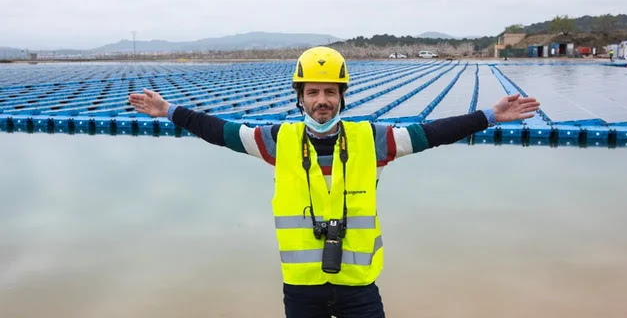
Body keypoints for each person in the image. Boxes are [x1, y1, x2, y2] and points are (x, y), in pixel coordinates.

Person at [129, 46, 540, 317]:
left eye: (330, 91)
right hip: (302, 290)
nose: (322, 100)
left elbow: (432, 133)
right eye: (313, 92)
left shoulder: (373, 140)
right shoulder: (276, 141)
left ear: (342, 96)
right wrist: (169, 110)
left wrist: (488, 116)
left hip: (358, 288)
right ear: (300, 97)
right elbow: (219, 130)